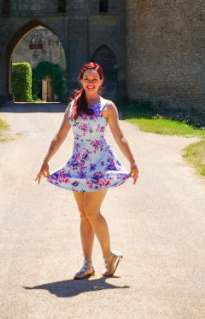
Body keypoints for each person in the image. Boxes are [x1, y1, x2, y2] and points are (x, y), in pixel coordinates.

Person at [35, 62, 139, 279]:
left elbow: (119, 136)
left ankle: (109, 255)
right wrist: (46, 160)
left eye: (94, 79)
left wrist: (133, 161)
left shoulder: (107, 107)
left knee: (92, 211)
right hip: (79, 164)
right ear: (81, 81)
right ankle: (87, 264)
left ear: (101, 81)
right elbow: (60, 135)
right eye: (86, 79)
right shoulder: (73, 106)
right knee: (83, 214)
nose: (90, 82)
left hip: (100, 163)